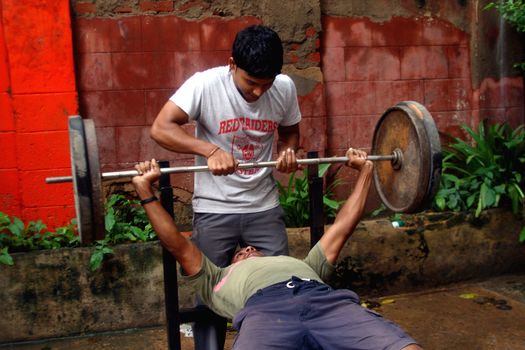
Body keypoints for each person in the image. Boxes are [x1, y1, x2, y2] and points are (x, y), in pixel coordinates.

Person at [132, 148, 422, 350]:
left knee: (405, 347)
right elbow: (176, 243)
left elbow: (343, 226)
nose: (247, 249)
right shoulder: (215, 278)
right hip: (264, 313)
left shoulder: (307, 264)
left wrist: (366, 170)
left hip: (324, 302)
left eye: (250, 249)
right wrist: (145, 190)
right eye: (239, 253)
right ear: (233, 262)